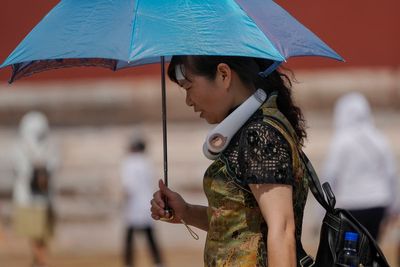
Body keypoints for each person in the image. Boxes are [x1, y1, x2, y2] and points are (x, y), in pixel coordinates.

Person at [151, 56, 312, 267]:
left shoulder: (259, 136)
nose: (188, 101)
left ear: (224, 75)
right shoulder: (257, 129)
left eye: (188, 87)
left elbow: (281, 229)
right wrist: (186, 212)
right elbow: (241, 226)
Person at [322, 92, 398, 241]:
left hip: (351, 206)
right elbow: (391, 174)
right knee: (371, 249)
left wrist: (323, 211)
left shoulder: (341, 141)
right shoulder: (378, 138)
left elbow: (330, 176)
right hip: (378, 204)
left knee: (350, 254)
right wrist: (394, 207)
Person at [12, 111, 59, 267]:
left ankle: (40, 259)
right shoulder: (21, 147)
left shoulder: (49, 146)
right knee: (34, 232)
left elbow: (55, 164)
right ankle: (39, 259)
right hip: (28, 198)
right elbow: (20, 170)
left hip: (44, 197)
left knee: (42, 233)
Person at [121, 134, 163, 267]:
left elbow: (128, 186)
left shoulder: (128, 162)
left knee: (129, 236)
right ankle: (158, 262)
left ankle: (129, 263)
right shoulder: (146, 161)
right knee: (149, 235)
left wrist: (122, 203)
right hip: (147, 202)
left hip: (133, 204)